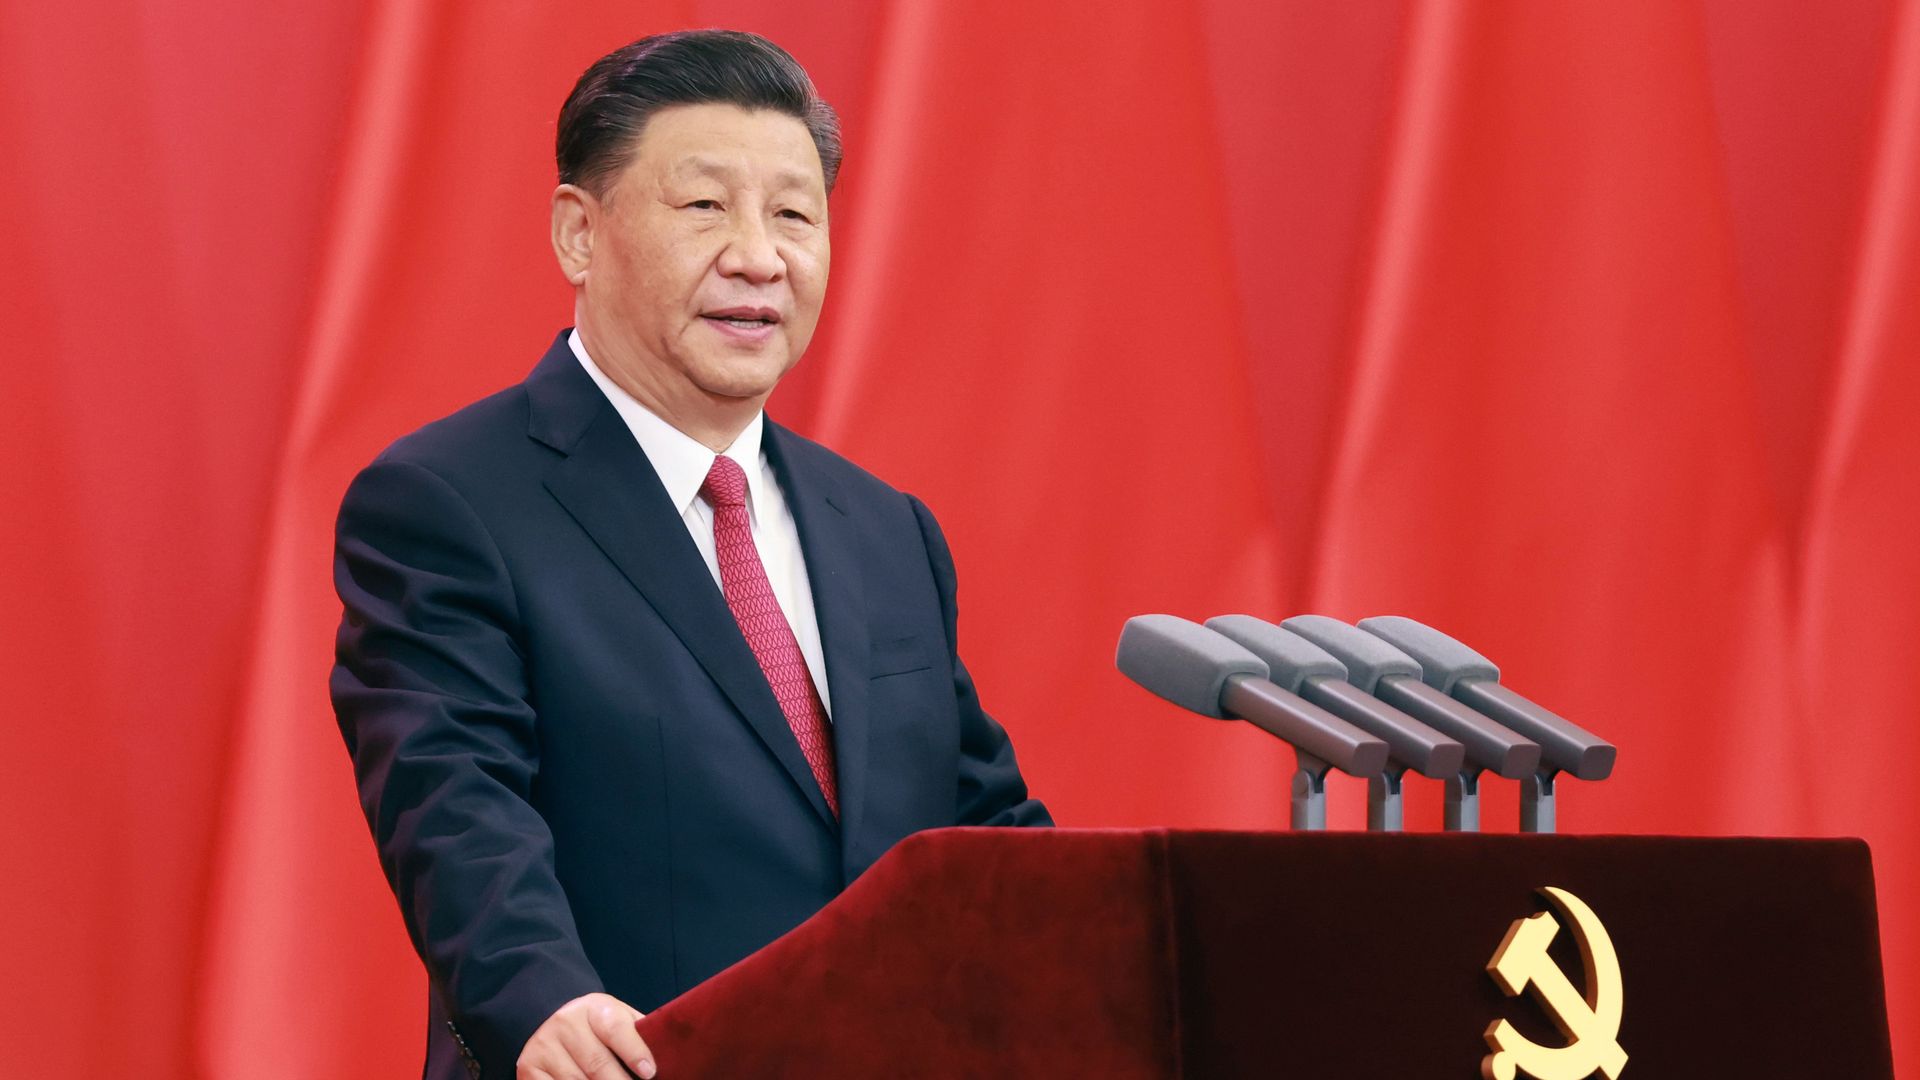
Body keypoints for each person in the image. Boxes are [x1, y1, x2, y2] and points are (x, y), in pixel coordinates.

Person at [330, 29, 1050, 1080]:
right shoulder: (450, 502)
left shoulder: (886, 529)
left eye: (794, 214)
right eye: (706, 205)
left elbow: (981, 831)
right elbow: (453, 798)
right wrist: (542, 996)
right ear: (579, 234)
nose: (760, 256)